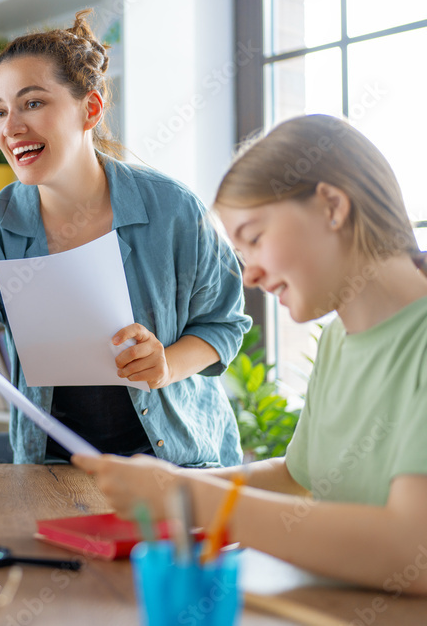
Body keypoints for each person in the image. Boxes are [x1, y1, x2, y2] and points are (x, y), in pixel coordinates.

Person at [0, 10, 251, 467]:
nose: (10, 127)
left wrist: (167, 364)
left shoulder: (172, 209)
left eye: (32, 103)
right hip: (54, 472)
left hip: (180, 466)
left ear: (89, 109)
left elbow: (222, 324)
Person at [74, 114, 427, 592]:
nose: (251, 277)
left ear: (331, 205)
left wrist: (188, 496)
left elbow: (412, 551)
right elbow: (295, 475)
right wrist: (159, 488)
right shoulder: (339, 341)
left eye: (256, 239)